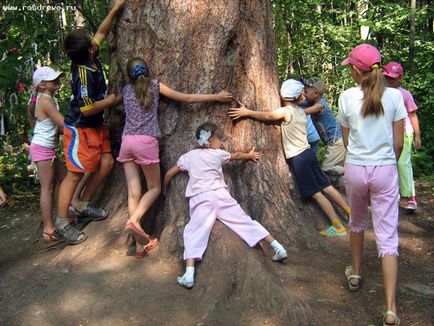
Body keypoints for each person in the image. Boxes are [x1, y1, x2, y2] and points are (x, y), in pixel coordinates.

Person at [118, 57, 233, 258]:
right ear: (148, 70)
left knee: (133, 193)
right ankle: (134, 221)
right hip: (146, 142)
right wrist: (216, 96)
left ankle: (138, 245)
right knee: (153, 187)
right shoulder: (155, 86)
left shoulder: (126, 91)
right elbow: (186, 98)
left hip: (126, 141)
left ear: (129, 75)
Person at [163, 122, 288, 288]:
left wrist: (164, 188)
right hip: (221, 195)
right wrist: (249, 156)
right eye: (220, 140)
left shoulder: (189, 156)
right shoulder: (218, 154)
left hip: (202, 198)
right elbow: (235, 155)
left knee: (194, 231)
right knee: (245, 222)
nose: (221, 143)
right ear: (212, 140)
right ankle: (277, 247)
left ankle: (189, 274)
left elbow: (171, 172)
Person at [338, 44, 406, 326]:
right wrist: (387, 162)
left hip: (355, 168)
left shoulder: (345, 97)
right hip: (385, 170)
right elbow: (399, 142)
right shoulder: (395, 97)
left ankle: (355, 273)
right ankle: (390, 309)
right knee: (387, 235)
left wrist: (360, 158)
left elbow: (346, 140)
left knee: (357, 221)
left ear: (355, 70)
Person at [229, 79, 350, 238]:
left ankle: (337, 226)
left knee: (316, 193)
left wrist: (247, 112)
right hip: (308, 153)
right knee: (326, 186)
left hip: (299, 158)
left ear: (283, 96)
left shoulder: (287, 112)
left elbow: (269, 116)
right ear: (299, 97)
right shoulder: (300, 111)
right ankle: (350, 211)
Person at [55, 0, 125, 244]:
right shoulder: (82, 75)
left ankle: (82, 204)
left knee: (106, 163)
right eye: (91, 41)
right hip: (80, 128)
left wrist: (116, 9)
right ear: (91, 51)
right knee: (74, 174)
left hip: (97, 126)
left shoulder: (89, 54)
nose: (95, 40)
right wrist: (113, 101)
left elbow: (102, 31)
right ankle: (62, 223)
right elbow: (86, 109)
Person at [28, 66, 66, 241]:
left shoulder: (48, 98)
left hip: (46, 149)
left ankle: (62, 216)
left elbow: (56, 127)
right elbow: (63, 123)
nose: (56, 80)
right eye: (52, 79)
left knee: (65, 179)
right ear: (42, 85)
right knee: (47, 188)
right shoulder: (46, 101)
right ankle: (48, 228)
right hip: (43, 149)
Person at [383, 61, 421, 211]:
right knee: (389, 164)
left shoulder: (405, 94)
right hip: (387, 133)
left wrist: (417, 135)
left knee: (402, 164)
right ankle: (394, 195)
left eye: (394, 77)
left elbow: (413, 115)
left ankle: (411, 198)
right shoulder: (381, 93)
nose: (391, 80)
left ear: (400, 78)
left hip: (405, 132)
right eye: (388, 77)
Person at [302, 77, 346, 175]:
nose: (303, 94)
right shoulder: (313, 102)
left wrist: (286, 112)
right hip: (335, 142)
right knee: (335, 171)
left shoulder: (320, 106)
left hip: (336, 143)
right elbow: (299, 102)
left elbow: (302, 112)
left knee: (326, 171)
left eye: (306, 92)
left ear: (316, 93)